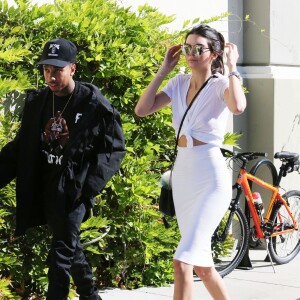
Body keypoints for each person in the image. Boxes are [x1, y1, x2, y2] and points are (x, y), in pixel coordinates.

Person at [0, 38, 126, 300]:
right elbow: (22, 146)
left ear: (72, 69)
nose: (51, 77)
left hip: (73, 190)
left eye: (57, 70)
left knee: (59, 256)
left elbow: (113, 149)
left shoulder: (94, 105)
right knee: (70, 247)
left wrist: (88, 188)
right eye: (46, 70)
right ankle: (90, 296)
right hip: (47, 186)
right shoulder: (38, 103)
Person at [135, 24, 246, 300]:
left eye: (199, 48)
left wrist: (233, 67)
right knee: (202, 265)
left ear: (214, 53)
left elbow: (238, 106)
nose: (192, 53)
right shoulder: (179, 83)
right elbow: (142, 109)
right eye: (188, 48)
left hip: (210, 178)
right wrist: (163, 72)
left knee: (182, 261)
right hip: (183, 177)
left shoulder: (222, 84)